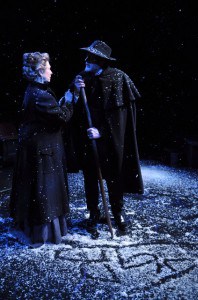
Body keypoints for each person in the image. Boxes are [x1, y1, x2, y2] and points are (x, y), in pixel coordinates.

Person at [68, 40, 144, 232]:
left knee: (114, 176)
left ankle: (117, 212)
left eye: (91, 57)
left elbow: (120, 116)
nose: (86, 60)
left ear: (101, 60)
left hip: (111, 140)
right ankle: (93, 212)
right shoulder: (82, 78)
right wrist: (76, 91)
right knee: (90, 177)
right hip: (88, 139)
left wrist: (101, 131)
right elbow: (74, 108)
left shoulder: (118, 78)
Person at [10, 52, 74, 246]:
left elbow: (52, 112)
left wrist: (64, 99)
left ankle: (32, 227)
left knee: (39, 191)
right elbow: (61, 118)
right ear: (39, 71)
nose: (52, 71)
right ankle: (44, 233)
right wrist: (71, 100)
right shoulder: (40, 95)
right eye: (48, 68)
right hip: (44, 151)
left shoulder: (34, 90)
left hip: (38, 148)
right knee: (45, 192)